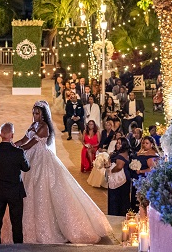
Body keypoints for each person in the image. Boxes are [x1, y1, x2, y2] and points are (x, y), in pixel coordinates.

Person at [12, 101, 112, 244]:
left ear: (43, 114)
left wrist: (14, 150)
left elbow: (29, 144)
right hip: (31, 156)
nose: (34, 116)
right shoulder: (33, 125)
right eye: (33, 113)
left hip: (41, 159)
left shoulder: (44, 127)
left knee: (43, 188)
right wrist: (11, 144)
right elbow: (23, 139)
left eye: (37, 113)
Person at [0, 122, 30, 244]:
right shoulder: (18, 152)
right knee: (16, 221)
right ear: (12, 135)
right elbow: (26, 168)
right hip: (15, 191)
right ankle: (18, 247)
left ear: (0, 134)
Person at [130, 136, 160, 210]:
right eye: (143, 143)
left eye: (147, 143)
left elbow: (152, 169)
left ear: (152, 144)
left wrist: (140, 171)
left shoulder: (152, 155)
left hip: (144, 179)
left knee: (143, 199)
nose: (144, 145)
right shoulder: (141, 152)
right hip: (136, 179)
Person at [107, 137, 131, 216]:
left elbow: (119, 166)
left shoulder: (121, 155)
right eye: (117, 143)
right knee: (124, 198)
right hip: (125, 178)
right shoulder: (126, 153)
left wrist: (111, 170)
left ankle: (116, 215)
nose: (117, 145)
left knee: (116, 198)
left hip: (120, 179)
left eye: (120, 143)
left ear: (124, 144)